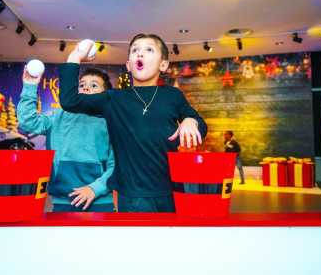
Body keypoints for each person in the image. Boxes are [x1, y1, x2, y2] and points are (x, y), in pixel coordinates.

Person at [59, 34, 208, 212]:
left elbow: (201, 126)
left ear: (163, 64)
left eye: (149, 49)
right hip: (131, 195)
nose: (140, 54)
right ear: (129, 65)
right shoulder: (114, 99)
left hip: (171, 191)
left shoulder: (173, 96)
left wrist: (190, 121)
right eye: (135, 50)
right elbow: (69, 100)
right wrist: (75, 56)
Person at [18, 67, 115, 212]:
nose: (86, 88)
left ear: (105, 94)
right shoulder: (58, 116)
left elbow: (116, 166)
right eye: (81, 85)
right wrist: (30, 86)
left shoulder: (111, 122)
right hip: (63, 201)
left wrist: (94, 189)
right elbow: (27, 121)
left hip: (100, 202)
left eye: (94, 85)